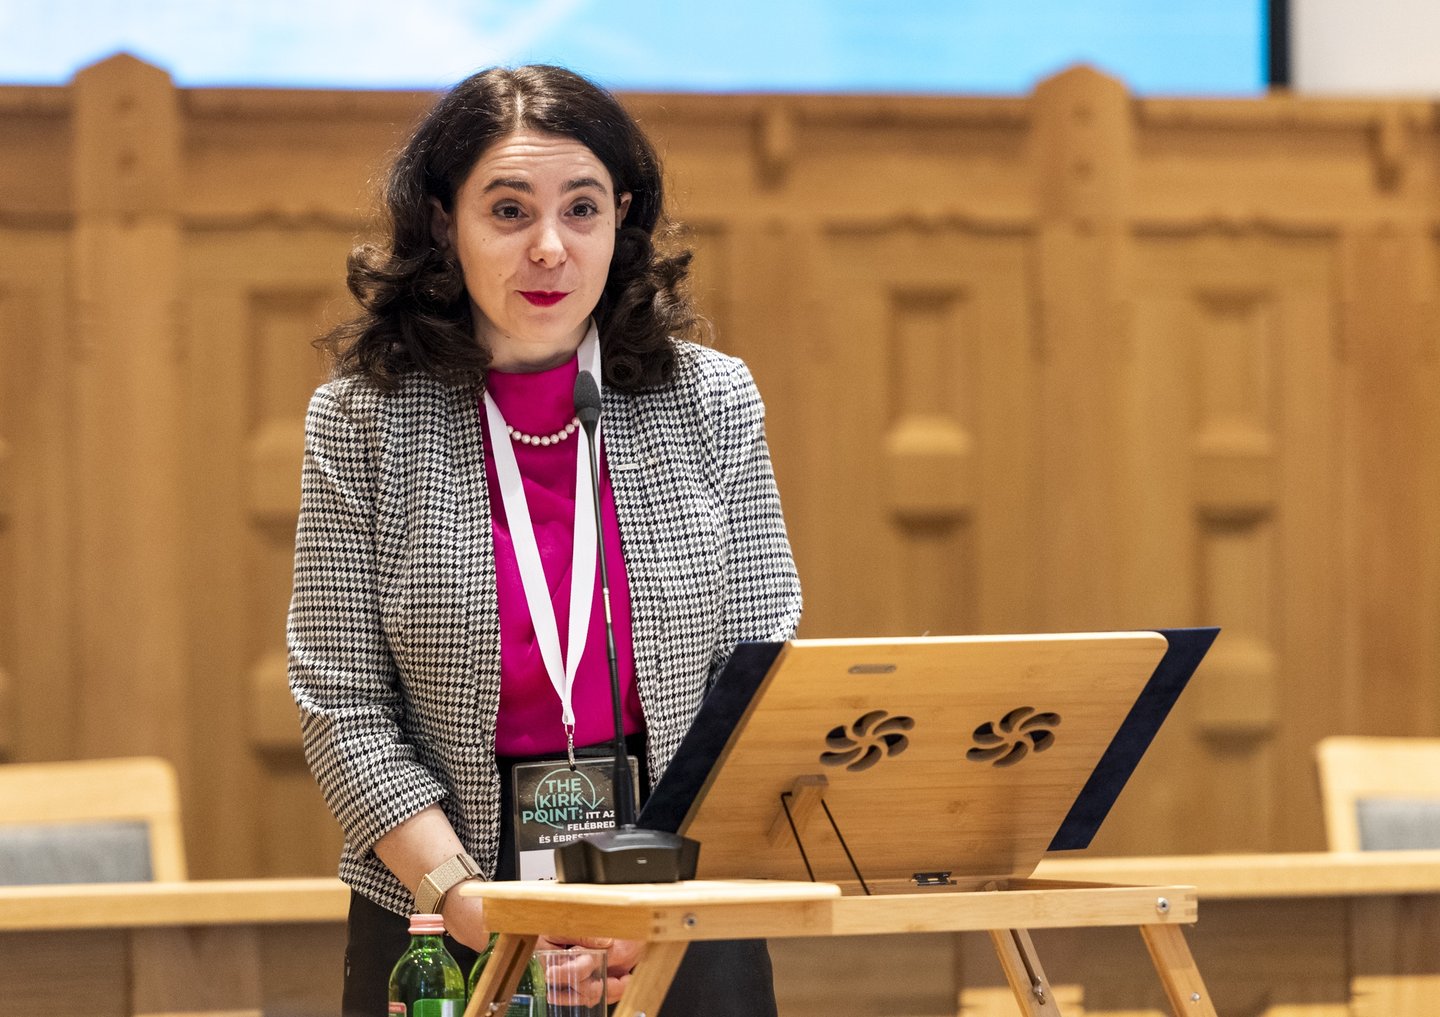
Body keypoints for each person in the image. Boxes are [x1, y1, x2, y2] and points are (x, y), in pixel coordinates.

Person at [286, 64, 802, 1016]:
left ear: (622, 220)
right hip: (443, 906)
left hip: (679, 896)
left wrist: (653, 906)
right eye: (510, 210)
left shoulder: (711, 401)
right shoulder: (363, 421)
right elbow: (342, 703)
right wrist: (471, 900)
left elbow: (757, 677)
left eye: (582, 209)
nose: (551, 248)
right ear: (444, 222)